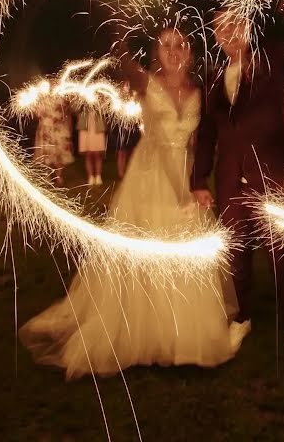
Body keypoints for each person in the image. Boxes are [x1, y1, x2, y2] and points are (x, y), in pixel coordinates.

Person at [19, 27, 236, 378]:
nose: (173, 50)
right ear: (156, 52)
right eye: (165, 45)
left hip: (183, 175)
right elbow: (122, 58)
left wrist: (197, 181)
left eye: (180, 44)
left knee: (181, 244)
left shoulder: (200, 91)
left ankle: (182, 333)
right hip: (149, 177)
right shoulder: (145, 81)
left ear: (191, 53)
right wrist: (118, 22)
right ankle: (145, 330)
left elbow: (200, 141)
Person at [191, 9, 284, 377]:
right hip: (230, 180)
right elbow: (207, 132)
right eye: (219, 28)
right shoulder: (214, 76)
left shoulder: (273, 60)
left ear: (248, 27)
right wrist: (198, 179)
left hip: (272, 178)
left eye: (234, 24)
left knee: (283, 257)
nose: (227, 32)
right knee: (238, 254)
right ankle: (243, 317)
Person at [33, 95, 74, 187]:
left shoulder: (62, 98)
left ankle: (59, 176)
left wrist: (68, 129)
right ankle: (47, 175)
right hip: (46, 130)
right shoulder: (42, 98)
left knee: (59, 153)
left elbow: (67, 115)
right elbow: (37, 115)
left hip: (59, 130)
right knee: (46, 153)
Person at [77, 107, 106, 186]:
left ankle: (98, 175)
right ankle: (90, 176)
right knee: (88, 154)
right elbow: (75, 108)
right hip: (85, 128)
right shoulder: (82, 102)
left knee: (98, 154)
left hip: (97, 127)